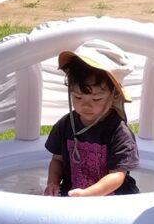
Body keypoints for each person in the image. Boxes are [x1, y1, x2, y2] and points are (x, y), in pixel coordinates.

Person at [43, 41, 141, 197]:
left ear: (115, 95)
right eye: (78, 97)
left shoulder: (119, 132)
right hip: (75, 195)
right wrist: (52, 183)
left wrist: (87, 194)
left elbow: (117, 175)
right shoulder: (65, 125)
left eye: (96, 99)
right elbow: (57, 160)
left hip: (115, 200)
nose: (86, 105)